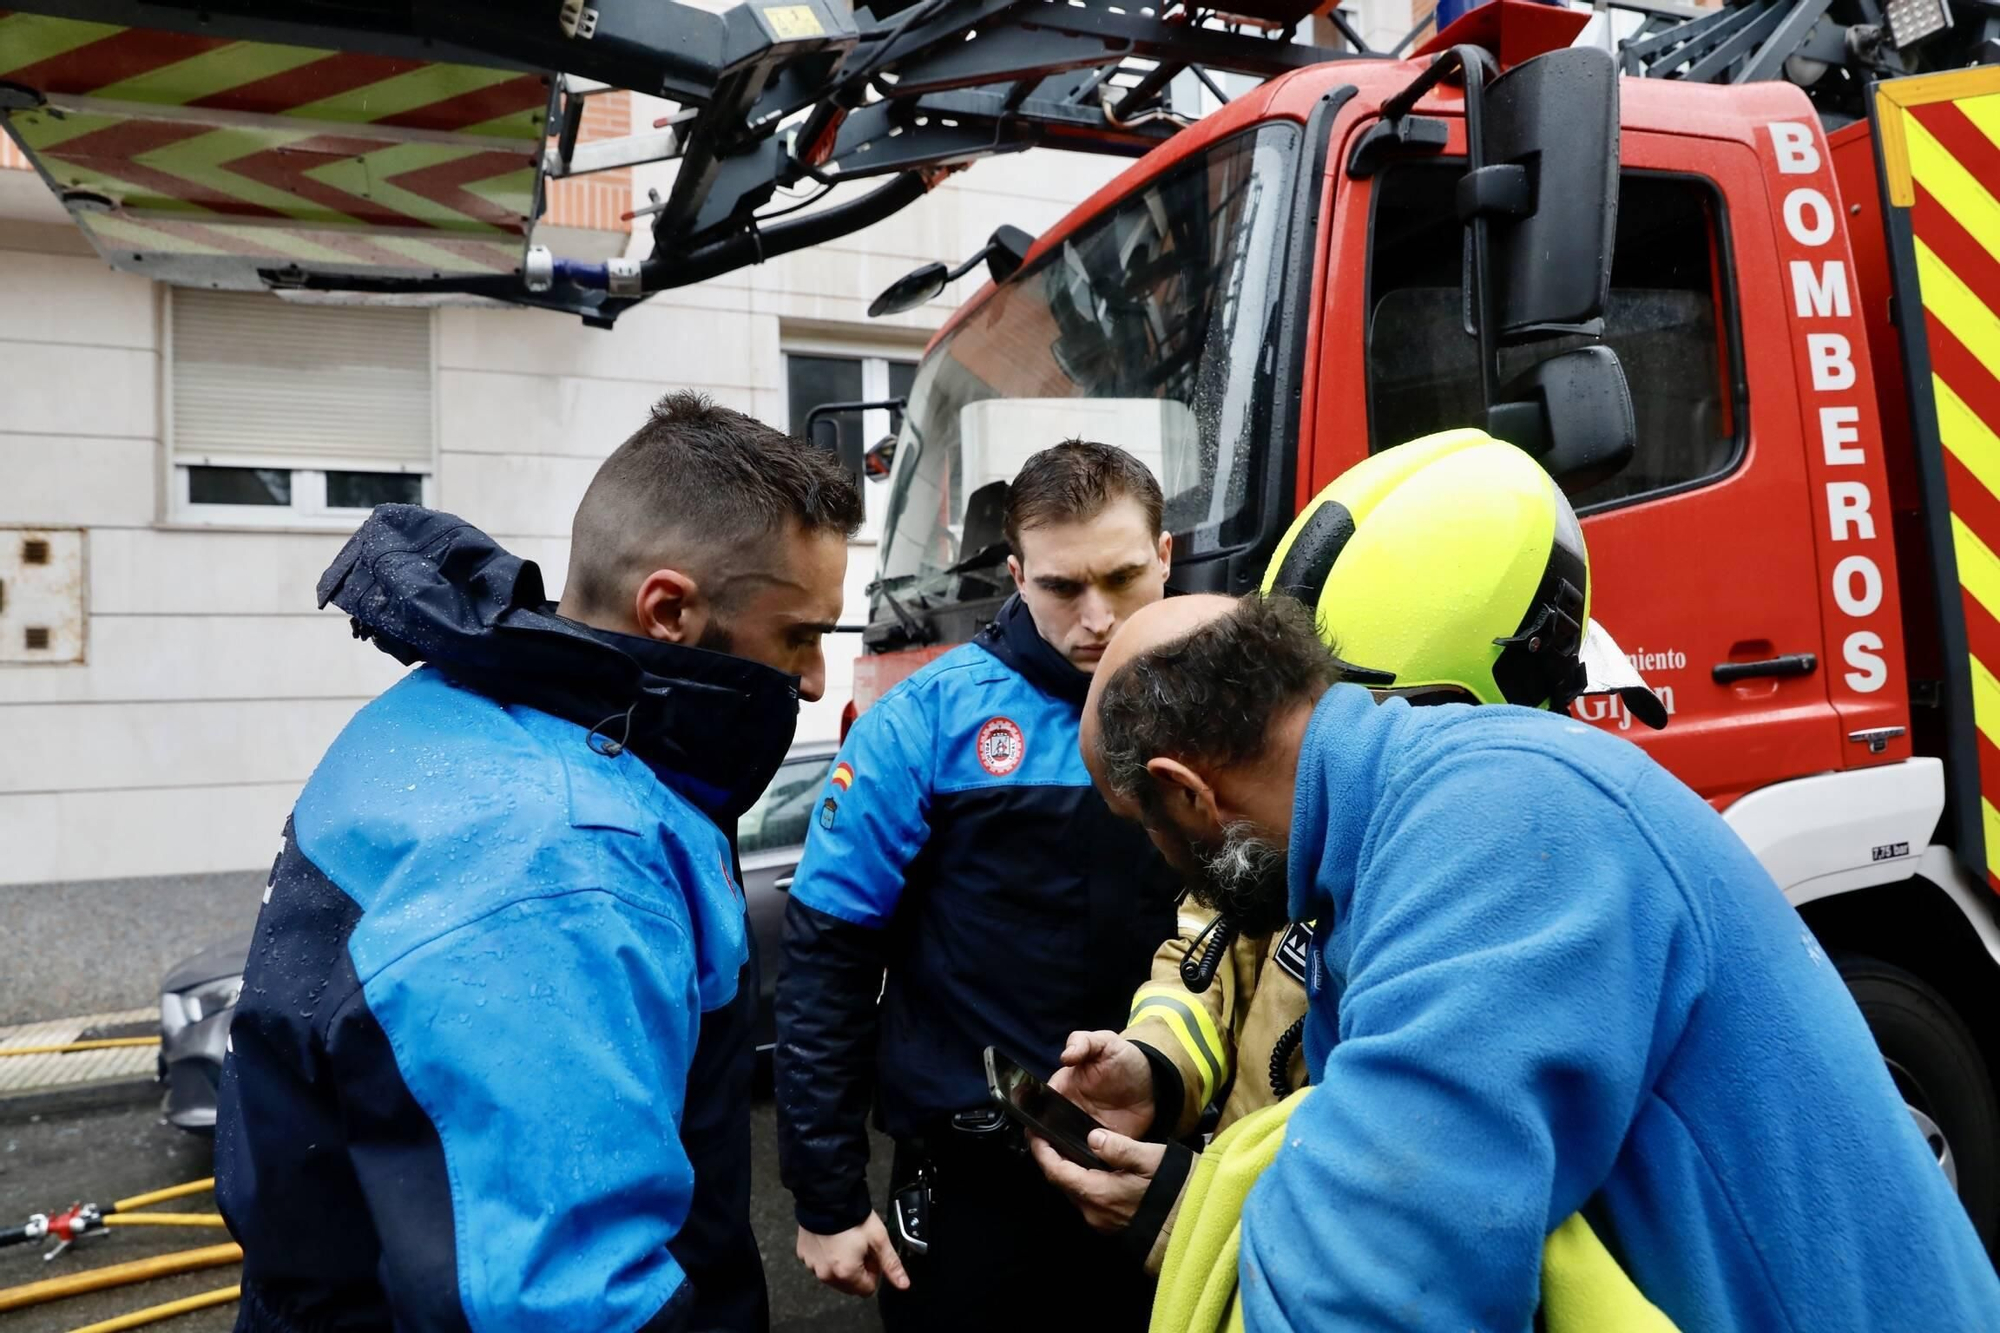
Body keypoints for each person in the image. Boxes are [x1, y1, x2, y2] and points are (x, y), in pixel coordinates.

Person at [1073, 589, 2000, 1330]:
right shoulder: (1424, 811)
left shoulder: (1485, 836)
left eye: (1142, 829)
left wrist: (1193, 1222)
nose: (1158, 859)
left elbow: (1364, 1295)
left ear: (1185, 793)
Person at [213, 393, 862, 1333]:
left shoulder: (459, 707)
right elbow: (563, 1305)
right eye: (799, 635)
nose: (812, 679)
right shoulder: (566, 856)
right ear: (670, 609)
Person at [1034, 431, 1665, 1268]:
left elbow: (1431, 1227)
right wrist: (1157, 1066)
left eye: (1344, 711)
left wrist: (1198, 1216)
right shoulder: (1280, 819)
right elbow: (1210, 949)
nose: (1306, 747)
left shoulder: (1511, 880)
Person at [774, 439, 1182, 1330]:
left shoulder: (1224, 712)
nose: (1096, 617)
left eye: (1120, 577)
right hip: (973, 1191)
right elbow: (827, 966)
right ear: (1015, 573)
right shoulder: (922, 723)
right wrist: (828, 1195)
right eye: (1061, 587)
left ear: (1166, 556)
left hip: (1170, 1170)